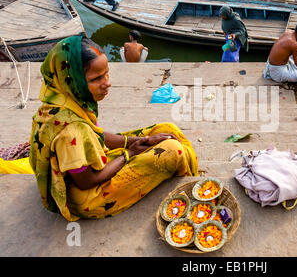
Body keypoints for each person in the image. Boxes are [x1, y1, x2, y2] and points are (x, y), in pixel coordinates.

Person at [28, 36, 198, 221]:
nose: (107, 83)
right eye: (96, 78)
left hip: (94, 164)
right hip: (87, 196)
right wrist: (129, 154)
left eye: (106, 74)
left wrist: (139, 141)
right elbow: (87, 182)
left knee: (166, 129)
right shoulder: (71, 131)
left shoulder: (65, 99)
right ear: (73, 79)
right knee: (174, 151)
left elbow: (96, 136)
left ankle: (183, 173)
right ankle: (188, 185)